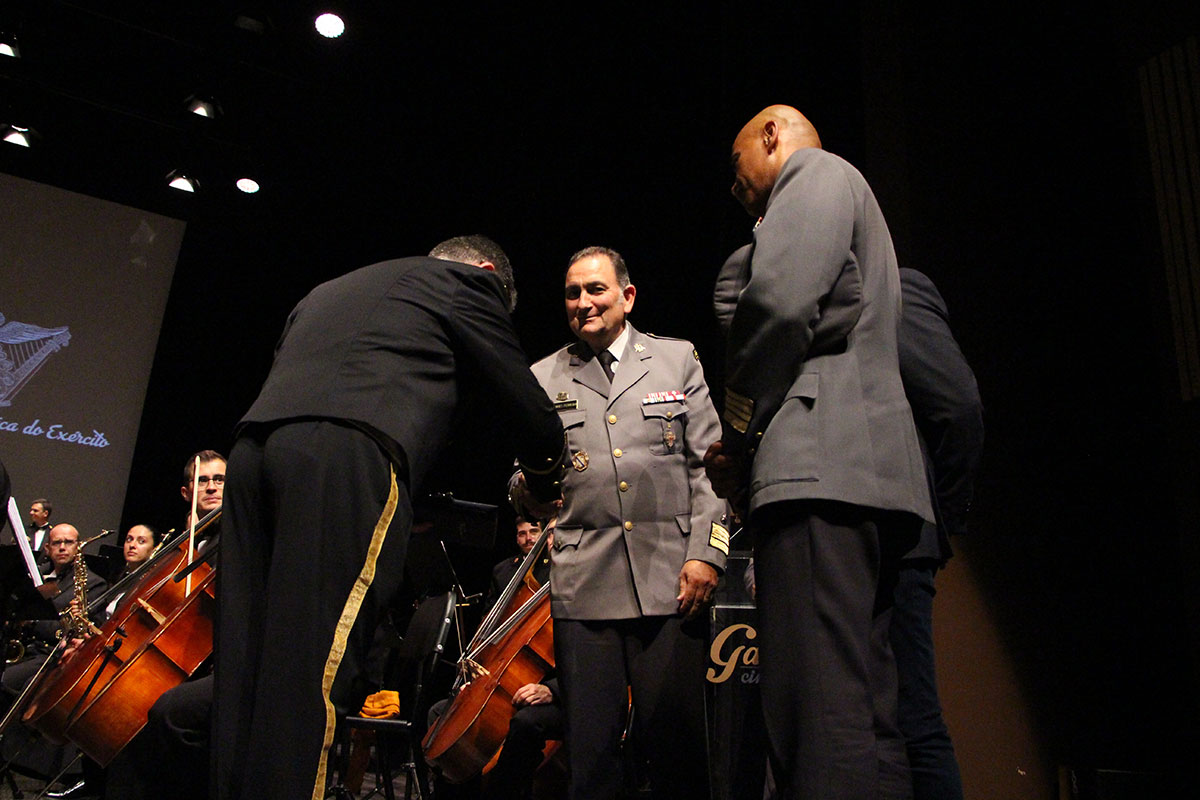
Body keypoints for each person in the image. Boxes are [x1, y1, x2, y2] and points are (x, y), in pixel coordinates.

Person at [214, 235, 566, 800]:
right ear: (482, 271)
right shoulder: (468, 283)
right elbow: (525, 405)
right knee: (313, 666)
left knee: (244, 667)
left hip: (253, 455)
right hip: (343, 453)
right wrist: (546, 480)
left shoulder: (334, 287)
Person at [704, 105, 934, 800]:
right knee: (866, 714)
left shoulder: (813, 173)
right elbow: (828, 307)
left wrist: (740, 437)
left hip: (816, 476)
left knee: (815, 710)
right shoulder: (864, 214)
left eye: (739, 167)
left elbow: (774, 308)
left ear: (772, 135)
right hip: (876, 479)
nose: (737, 188)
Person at [513, 245, 726, 800]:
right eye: (572, 293)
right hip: (585, 592)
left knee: (676, 752)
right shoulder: (542, 376)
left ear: (627, 297)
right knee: (593, 758)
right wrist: (530, 486)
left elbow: (712, 470)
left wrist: (708, 553)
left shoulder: (677, 360)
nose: (583, 302)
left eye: (596, 289)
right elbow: (522, 485)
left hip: (671, 583)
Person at [889, 268, 983, 800]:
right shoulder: (798, 296)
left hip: (901, 536)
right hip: (833, 539)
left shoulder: (897, 288)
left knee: (914, 717)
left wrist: (943, 514)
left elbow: (958, 407)